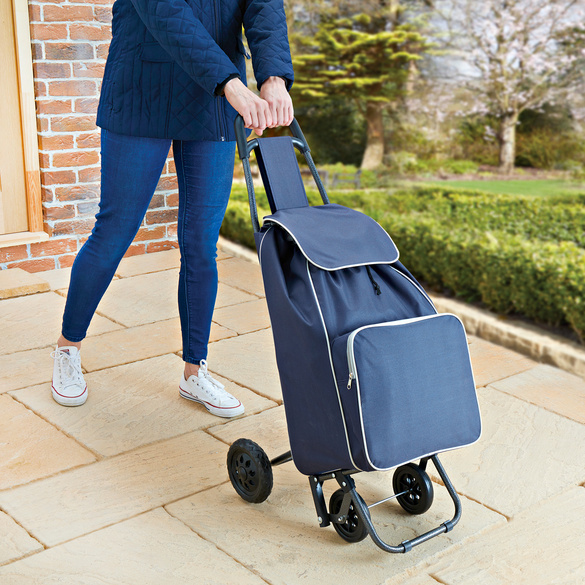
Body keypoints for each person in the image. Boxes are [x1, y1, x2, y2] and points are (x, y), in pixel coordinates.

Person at [50, 0, 294, 417]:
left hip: (214, 97)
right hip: (143, 87)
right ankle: (67, 347)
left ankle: (193, 370)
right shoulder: (219, 81)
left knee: (201, 244)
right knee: (115, 230)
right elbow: (165, 12)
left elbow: (263, 6)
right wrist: (232, 84)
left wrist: (273, 76)